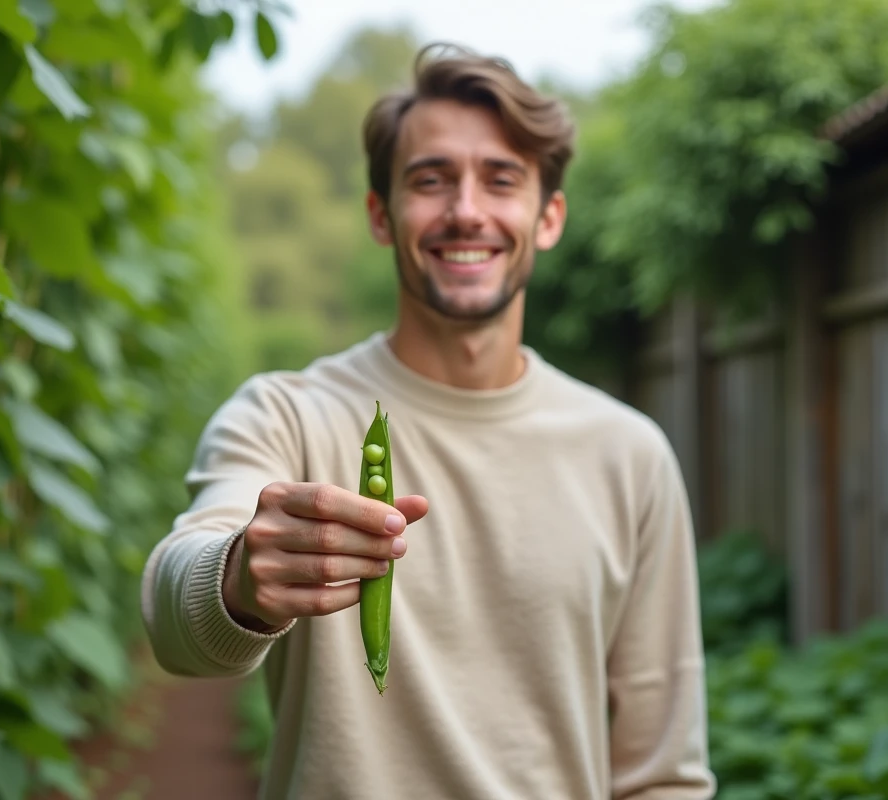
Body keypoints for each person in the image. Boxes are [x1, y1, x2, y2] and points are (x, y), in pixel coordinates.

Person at [141, 42, 716, 800]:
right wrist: (240, 577)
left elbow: (662, 773)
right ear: (383, 215)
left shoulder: (630, 455)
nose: (466, 210)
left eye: (501, 180)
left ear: (549, 218)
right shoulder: (284, 415)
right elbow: (175, 619)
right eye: (430, 180)